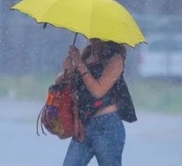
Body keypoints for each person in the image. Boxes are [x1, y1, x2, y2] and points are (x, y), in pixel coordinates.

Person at [55, 38, 137, 166]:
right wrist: (68, 71)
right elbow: (61, 83)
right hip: (84, 125)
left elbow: (98, 91)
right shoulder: (87, 55)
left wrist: (80, 64)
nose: (93, 39)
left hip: (106, 126)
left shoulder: (115, 59)